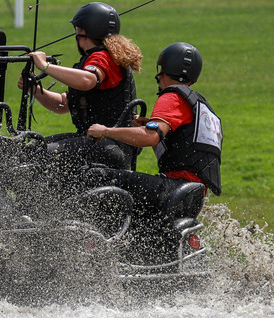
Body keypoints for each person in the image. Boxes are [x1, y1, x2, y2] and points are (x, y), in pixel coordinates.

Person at [87, 42, 222, 205]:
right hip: (192, 195)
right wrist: (148, 125)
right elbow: (180, 151)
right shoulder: (203, 108)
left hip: (173, 188)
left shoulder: (173, 97)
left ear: (164, 69)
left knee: (95, 175)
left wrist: (105, 131)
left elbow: (150, 136)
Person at [18, 2, 143, 171]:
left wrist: (45, 66)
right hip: (97, 142)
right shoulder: (98, 58)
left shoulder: (103, 57)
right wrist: (35, 91)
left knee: (37, 155)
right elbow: (63, 104)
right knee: (32, 149)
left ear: (83, 32)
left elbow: (87, 80)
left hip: (109, 145)